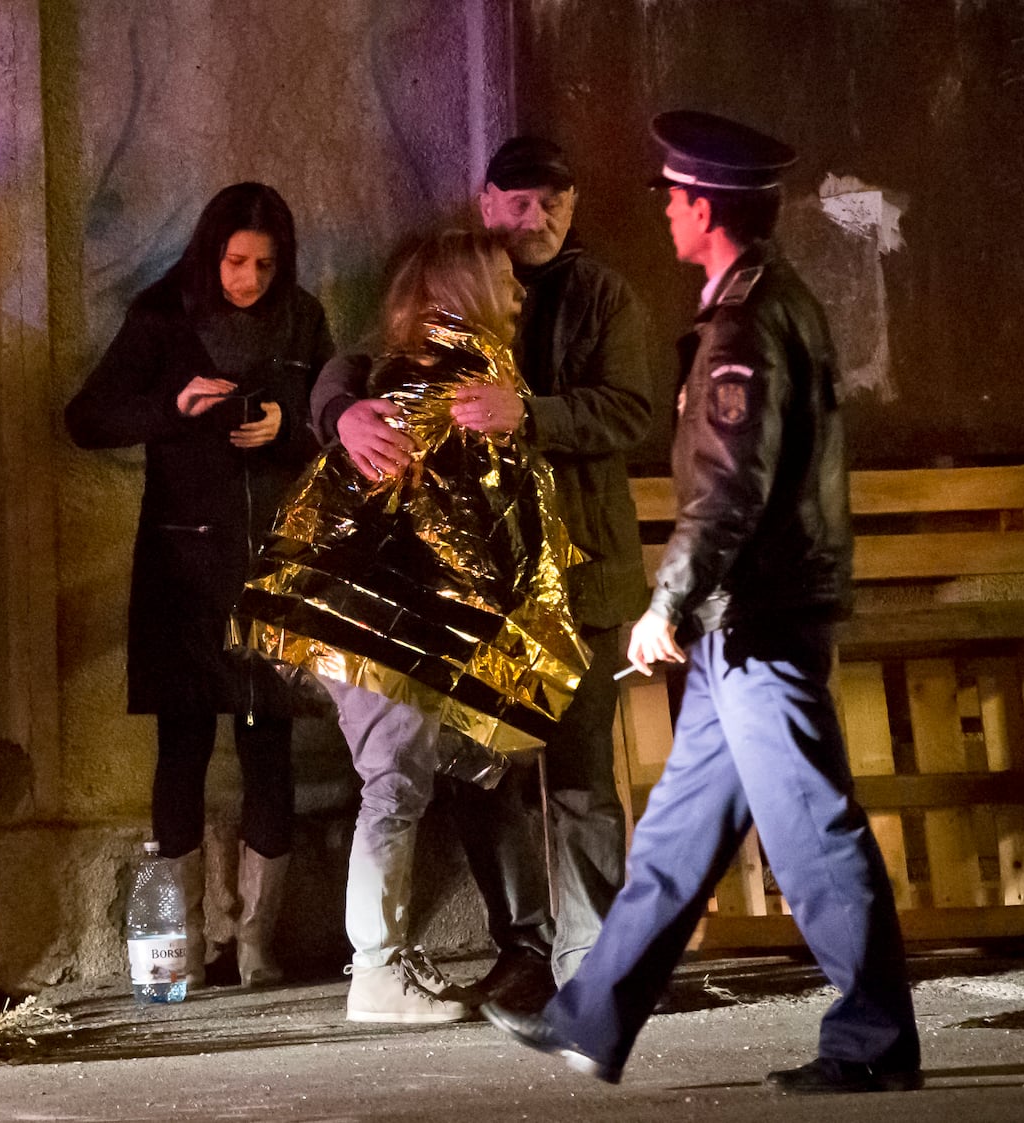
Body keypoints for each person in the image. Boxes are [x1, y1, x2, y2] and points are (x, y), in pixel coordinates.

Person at [483, 110, 922, 1095]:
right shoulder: (761, 303)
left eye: (677, 198)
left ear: (708, 211)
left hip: (757, 620)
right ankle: (589, 1016)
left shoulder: (743, 325)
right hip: (743, 625)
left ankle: (873, 1041)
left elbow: (729, 490)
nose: (667, 212)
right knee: (678, 836)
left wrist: (666, 604)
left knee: (810, 830)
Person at [311, 136, 652, 1009]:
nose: (535, 219)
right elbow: (363, 360)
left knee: (577, 772)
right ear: (486, 198)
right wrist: (341, 412)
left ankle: (593, 961)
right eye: (519, 201)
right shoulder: (452, 276)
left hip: (577, 574)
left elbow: (629, 410)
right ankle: (525, 948)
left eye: (554, 203)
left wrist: (529, 412)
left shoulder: (602, 294)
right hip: (474, 591)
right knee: (483, 770)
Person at [236, 227, 590, 1024]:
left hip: (381, 630)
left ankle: (390, 961)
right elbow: (449, 526)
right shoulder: (439, 392)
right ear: (460, 291)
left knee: (410, 779)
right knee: (393, 785)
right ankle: (377, 970)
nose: (519, 292)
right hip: (373, 631)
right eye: (503, 278)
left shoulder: (450, 380)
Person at [66, 183, 333, 987]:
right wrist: (176, 408)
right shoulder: (161, 315)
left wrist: (286, 420)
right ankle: (173, 944)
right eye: (233, 261)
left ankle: (254, 942)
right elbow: (88, 418)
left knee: (268, 745)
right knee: (180, 747)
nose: (246, 278)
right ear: (208, 252)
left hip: (272, 563)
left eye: (263, 264)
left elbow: (333, 408)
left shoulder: (303, 317)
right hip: (182, 568)